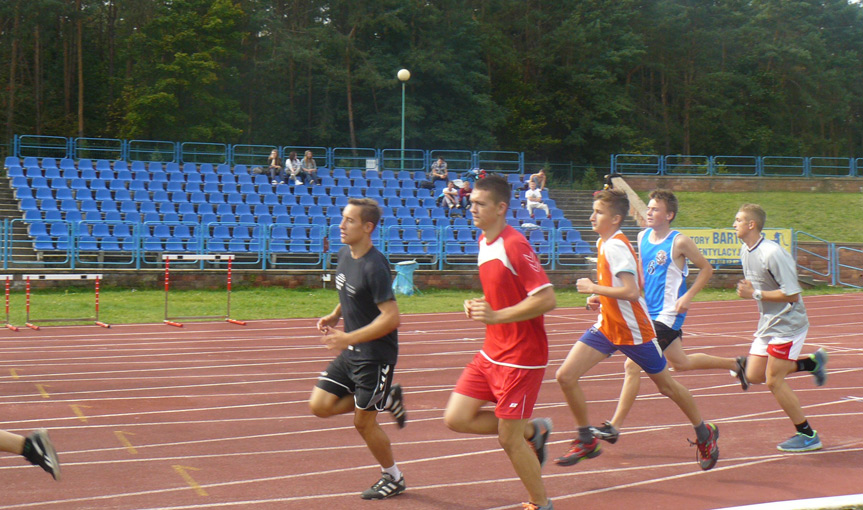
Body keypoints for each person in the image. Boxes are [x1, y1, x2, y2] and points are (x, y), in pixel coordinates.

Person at [554, 188, 720, 471]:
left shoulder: (616, 246)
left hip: (634, 332)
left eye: (598, 213)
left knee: (667, 386)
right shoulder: (604, 242)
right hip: (608, 326)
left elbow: (631, 292)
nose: (592, 217)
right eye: (593, 211)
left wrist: (594, 287)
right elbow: (628, 285)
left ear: (615, 219)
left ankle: (704, 433)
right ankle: (586, 440)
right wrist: (599, 296)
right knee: (565, 376)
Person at [592, 189, 749, 445]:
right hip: (647, 312)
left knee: (632, 365)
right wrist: (605, 295)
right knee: (680, 363)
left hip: (668, 315)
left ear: (669, 215)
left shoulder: (679, 241)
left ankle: (614, 426)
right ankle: (736, 364)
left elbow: (706, 269)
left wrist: (688, 297)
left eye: (655, 209)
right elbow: (638, 277)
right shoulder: (642, 237)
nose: (649, 212)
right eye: (648, 208)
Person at [444, 175, 556, 510]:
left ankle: (541, 503)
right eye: (471, 202)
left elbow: (547, 299)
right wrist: (481, 305)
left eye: (480, 204)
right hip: (492, 351)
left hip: (522, 357)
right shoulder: (484, 241)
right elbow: (504, 294)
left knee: (508, 438)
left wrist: (496, 315)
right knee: (456, 418)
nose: (472, 208)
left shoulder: (515, 244)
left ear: (501, 208)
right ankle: (533, 430)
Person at [310, 197, 408, 499]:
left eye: (349, 220)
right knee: (320, 405)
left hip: (376, 357)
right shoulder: (345, 254)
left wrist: (347, 338)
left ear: (367, 227)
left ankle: (393, 477)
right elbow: (350, 292)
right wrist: (335, 315)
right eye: (342, 218)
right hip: (352, 351)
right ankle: (385, 397)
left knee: (363, 422)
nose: (341, 225)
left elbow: (392, 317)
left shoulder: (375, 266)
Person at [733, 203, 827, 452]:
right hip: (768, 323)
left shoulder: (773, 253)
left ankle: (807, 434)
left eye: (738, 220)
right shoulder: (745, 250)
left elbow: (792, 294)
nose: (734, 224)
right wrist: (753, 293)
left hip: (788, 323)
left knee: (774, 380)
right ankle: (811, 364)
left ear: (751, 224)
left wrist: (754, 294)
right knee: (754, 375)